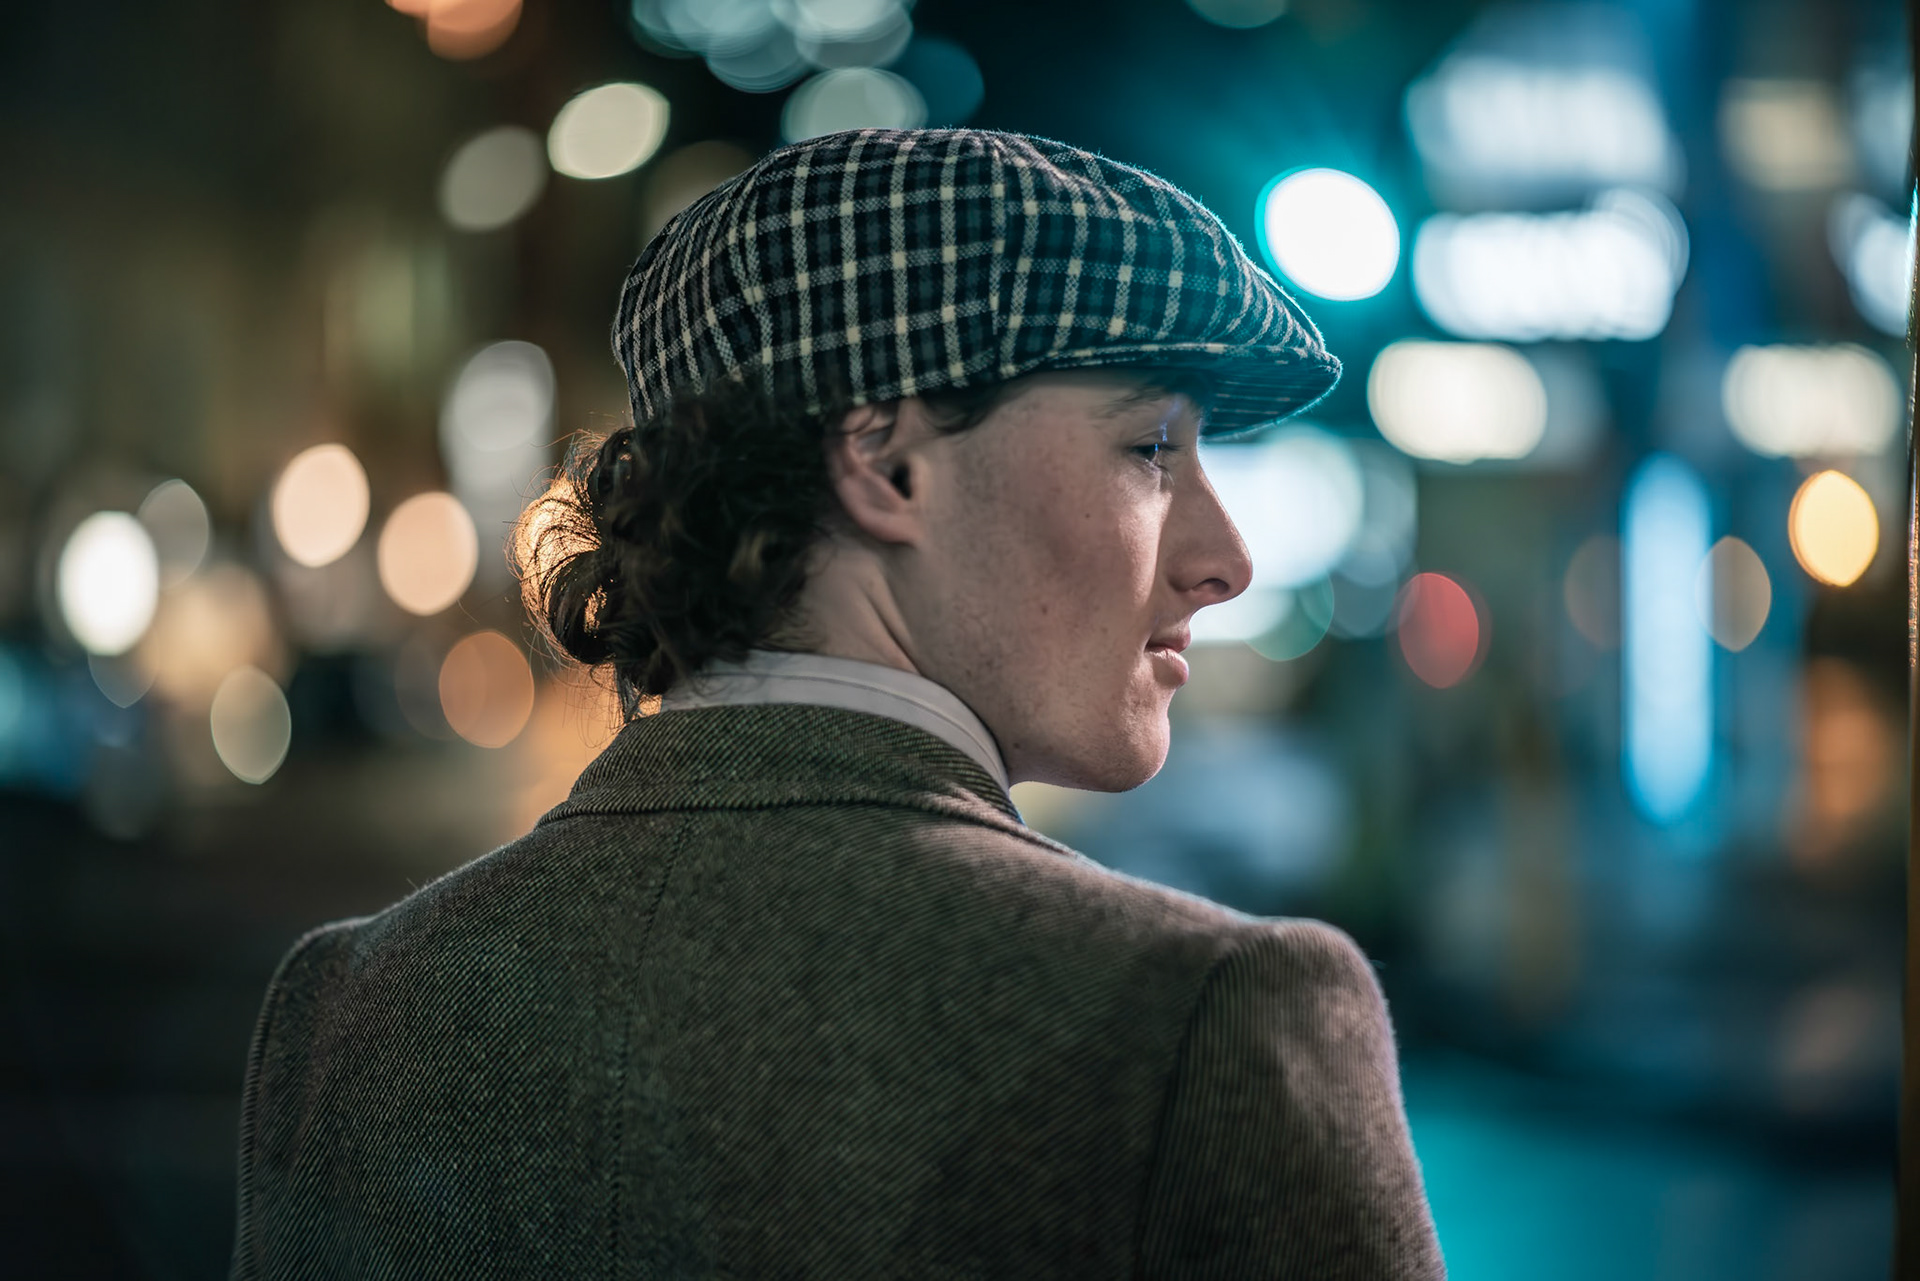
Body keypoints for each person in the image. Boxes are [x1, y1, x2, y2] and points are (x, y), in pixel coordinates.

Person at [229, 128, 1445, 1279]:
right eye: (1152, 450)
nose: (1228, 558)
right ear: (884, 463)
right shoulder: (1207, 1020)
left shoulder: (358, 1005)